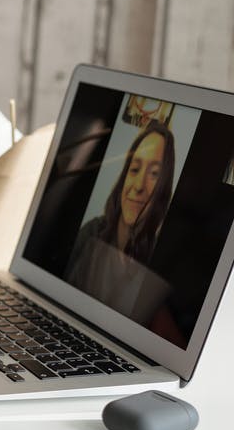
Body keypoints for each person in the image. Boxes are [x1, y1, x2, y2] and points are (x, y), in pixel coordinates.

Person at [66, 121, 175, 325]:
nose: (139, 186)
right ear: (125, 175)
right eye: (134, 169)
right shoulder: (91, 234)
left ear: (164, 187)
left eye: (154, 174)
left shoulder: (158, 263)